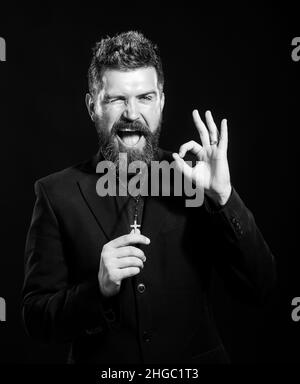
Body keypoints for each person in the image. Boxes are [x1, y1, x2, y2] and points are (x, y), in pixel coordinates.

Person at [22, 31, 276, 364]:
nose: (131, 113)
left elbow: (261, 287)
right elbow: (36, 319)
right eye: (116, 99)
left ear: (161, 102)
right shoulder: (55, 193)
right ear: (92, 106)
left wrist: (223, 196)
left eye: (144, 97)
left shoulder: (195, 179)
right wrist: (96, 289)